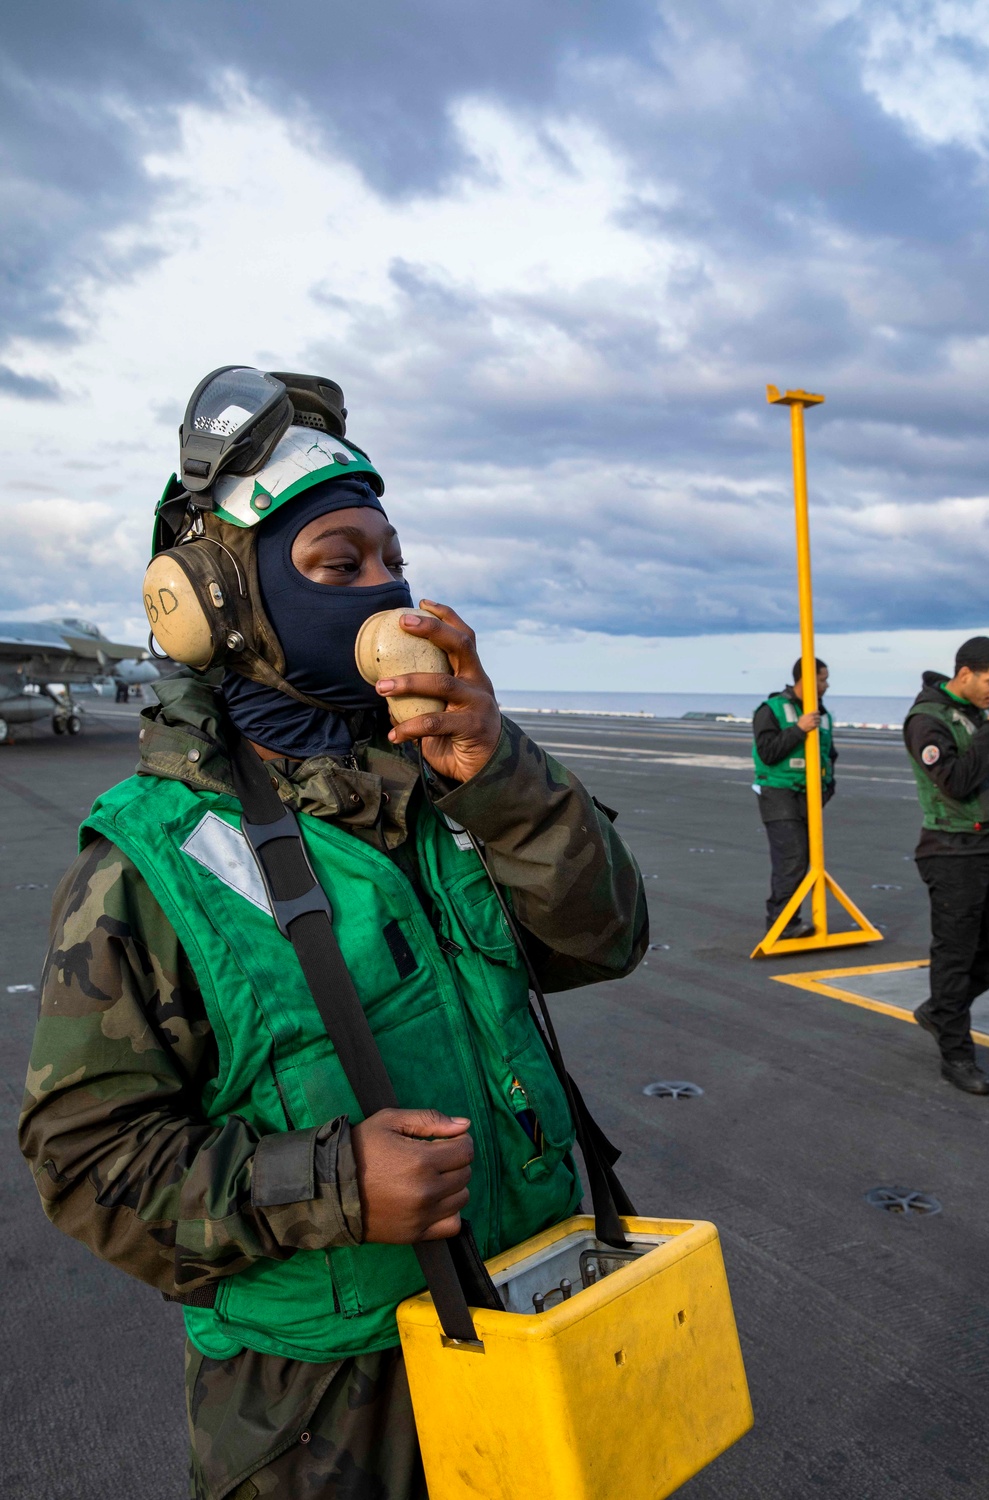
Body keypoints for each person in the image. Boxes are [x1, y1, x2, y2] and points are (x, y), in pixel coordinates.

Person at [19, 366, 648, 1500]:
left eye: (391, 559)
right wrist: (331, 1184)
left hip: (532, 1327)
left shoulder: (442, 785)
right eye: (336, 566)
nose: (386, 593)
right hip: (322, 1424)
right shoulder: (147, 864)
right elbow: (85, 1165)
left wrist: (501, 777)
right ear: (216, 605)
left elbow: (605, 939)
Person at [903, 636, 989, 1096]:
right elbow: (957, 782)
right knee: (956, 954)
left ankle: (941, 1011)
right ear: (965, 674)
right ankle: (956, 1057)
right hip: (952, 850)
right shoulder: (927, 720)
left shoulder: (978, 716)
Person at [751, 658, 836, 939]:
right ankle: (781, 923)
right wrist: (799, 729)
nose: (826, 684)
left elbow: (829, 755)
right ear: (806, 679)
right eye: (822, 679)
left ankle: (790, 919)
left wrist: (828, 787)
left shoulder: (822, 715)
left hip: (809, 795)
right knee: (792, 857)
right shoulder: (771, 710)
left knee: (806, 858)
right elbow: (768, 753)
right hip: (778, 793)